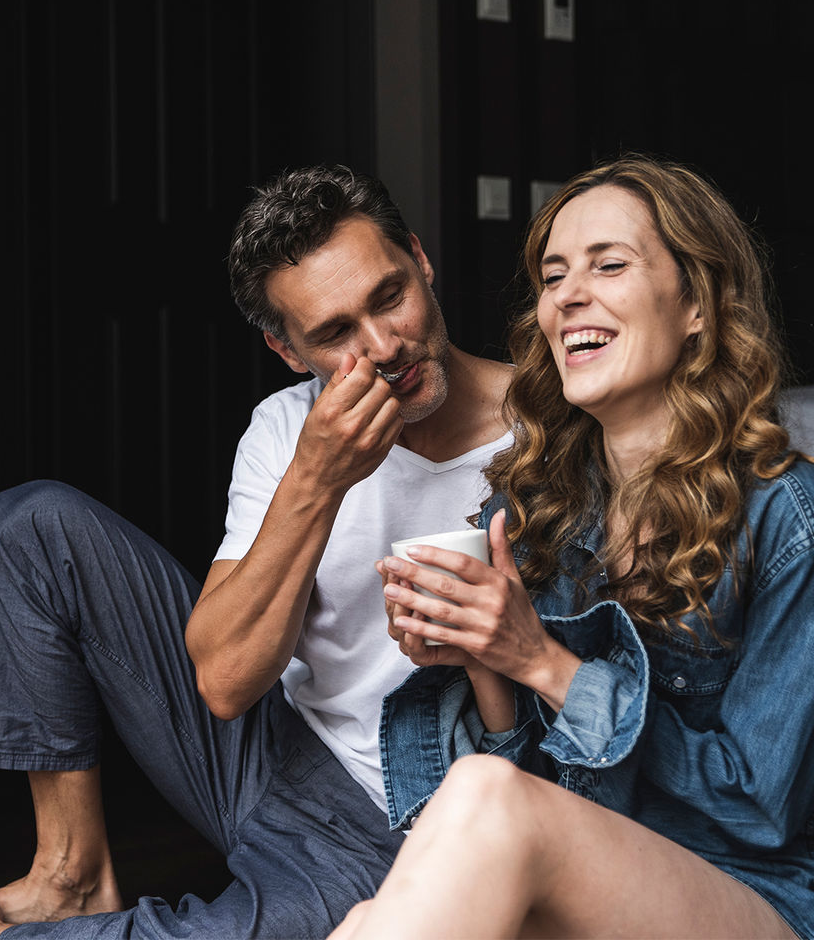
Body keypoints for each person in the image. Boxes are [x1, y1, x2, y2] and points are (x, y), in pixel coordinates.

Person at [0, 164, 513, 940]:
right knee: (33, 529)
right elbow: (225, 684)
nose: (384, 345)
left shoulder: (551, 432)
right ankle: (68, 877)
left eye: (389, 295)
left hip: (383, 826)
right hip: (268, 752)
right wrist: (316, 480)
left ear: (421, 260)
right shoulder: (286, 429)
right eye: (334, 334)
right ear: (287, 350)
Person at [332, 155, 813, 938]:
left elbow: (758, 808)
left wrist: (544, 663)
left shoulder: (786, 519)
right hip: (588, 881)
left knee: (484, 802)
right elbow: (533, 788)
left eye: (609, 265)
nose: (568, 297)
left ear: (698, 302)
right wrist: (483, 655)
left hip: (749, 894)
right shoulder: (539, 509)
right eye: (553, 277)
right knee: (374, 912)